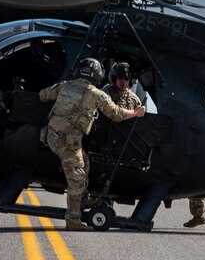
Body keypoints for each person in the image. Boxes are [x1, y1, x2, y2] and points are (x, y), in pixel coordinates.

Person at [39, 58, 146, 231]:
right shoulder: (97, 94)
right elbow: (117, 114)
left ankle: (82, 200)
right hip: (67, 141)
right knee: (77, 178)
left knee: (85, 162)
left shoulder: (65, 85)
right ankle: (72, 220)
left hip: (53, 136)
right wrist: (136, 113)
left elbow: (43, 95)